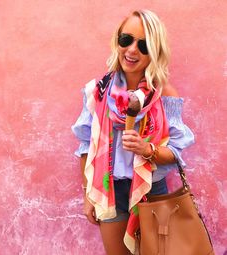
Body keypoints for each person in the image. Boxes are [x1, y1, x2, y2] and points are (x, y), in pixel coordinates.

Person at [72, 9, 194, 255]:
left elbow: (176, 152)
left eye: (144, 45)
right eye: (126, 39)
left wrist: (146, 149)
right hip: (109, 190)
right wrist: (88, 195)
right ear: (117, 41)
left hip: (150, 190)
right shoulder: (99, 91)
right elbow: (86, 145)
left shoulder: (164, 94)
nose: (131, 50)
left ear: (155, 50)